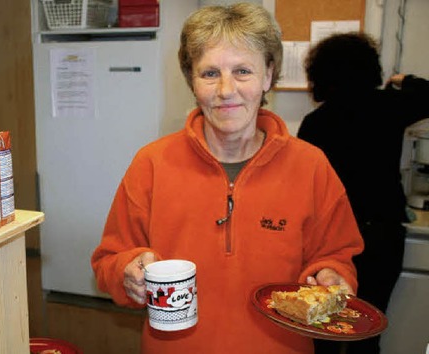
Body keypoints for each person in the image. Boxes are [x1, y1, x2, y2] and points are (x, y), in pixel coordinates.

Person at [91, 3, 364, 354]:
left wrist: (331, 276)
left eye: (243, 71)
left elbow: (337, 256)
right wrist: (125, 273)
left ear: (268, 75)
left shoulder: (311, 166)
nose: (225, 90)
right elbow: (108, 261)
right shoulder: (152, 164)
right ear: (192, 79)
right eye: (209, 74)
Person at [297, 32, 429, 354]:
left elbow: (304, 187)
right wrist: (402, 79)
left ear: (321, 74)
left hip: (332, 242)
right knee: (366, 333)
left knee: (322, 330)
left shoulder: (315, 123)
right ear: (370, 67)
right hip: (381, 234)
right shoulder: (390, 106)